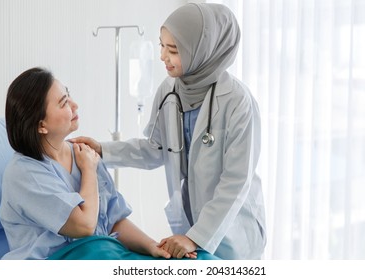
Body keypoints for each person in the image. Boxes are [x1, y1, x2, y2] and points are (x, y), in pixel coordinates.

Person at [71, 3, 266, 260]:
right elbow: (154, 149)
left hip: (232, 230)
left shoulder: (238, 102)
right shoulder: (169, 90)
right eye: (161, 46)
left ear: (201, 52)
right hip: (189, 226)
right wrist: (103, 150)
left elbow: (235, 182)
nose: (162, 56)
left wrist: (196, 237)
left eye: (173, 50)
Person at [0, 67, 174, 260]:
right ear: (41, 125)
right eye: (64, 102)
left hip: (103, 252)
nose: (75, 105)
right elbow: (84, 226)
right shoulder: (24, 173)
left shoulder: (82, 153)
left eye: (69, 96)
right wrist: (89, 170)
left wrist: (153, 246)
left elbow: (113, 221)